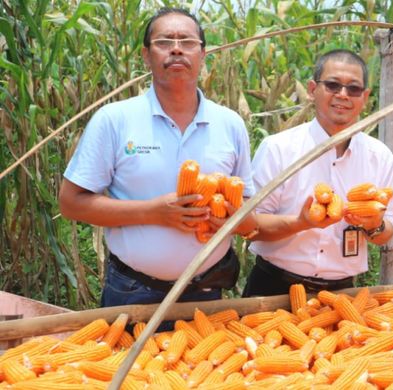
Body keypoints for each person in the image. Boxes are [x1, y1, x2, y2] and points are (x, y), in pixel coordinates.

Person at [58, 8, 255, 307]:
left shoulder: (230, 124)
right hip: (133, 290)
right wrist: (154, 212)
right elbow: (71, 203)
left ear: (203, 54)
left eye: (187, 41)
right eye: (164, 41)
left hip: (206, 292)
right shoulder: (114, 120)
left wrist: (230, 215)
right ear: (146, 56)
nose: (176, 48)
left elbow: (248, 206)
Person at [236, 49, 393, 296]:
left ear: (365, 97)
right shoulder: (279, 148)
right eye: (333, 85)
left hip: (341, 293)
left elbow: (386, 232)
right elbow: (250, 226)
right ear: (312, 90)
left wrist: (374, 225)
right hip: (273, 287)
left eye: (353, 89)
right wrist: (300, 223)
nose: (343, 95)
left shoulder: (380, 157)